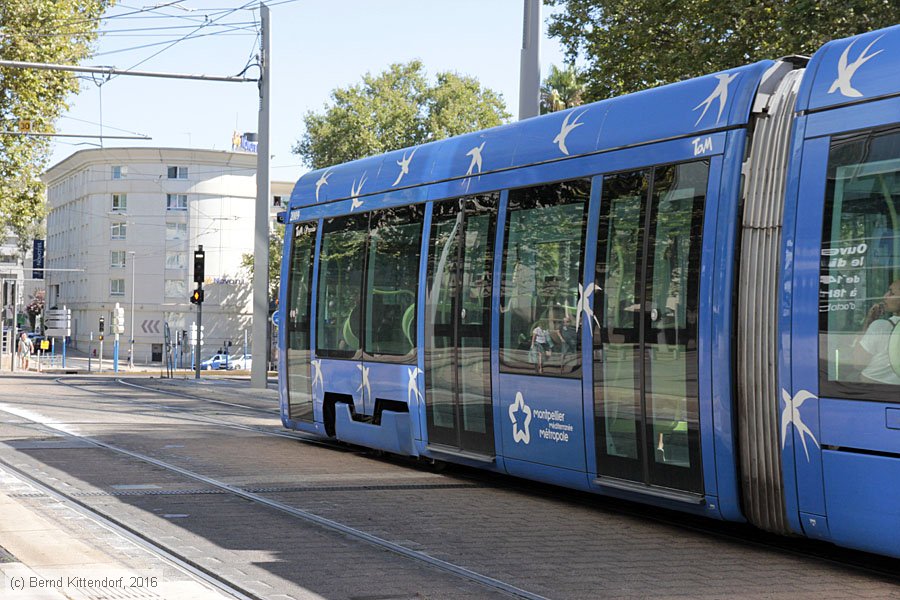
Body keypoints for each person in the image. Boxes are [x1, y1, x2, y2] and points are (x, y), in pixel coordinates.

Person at [857, 279, 900, 385]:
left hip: (872, 388)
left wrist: (868, 322)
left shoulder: (880, 326)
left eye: (892, 293)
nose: (885, 296)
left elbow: (857, 363)